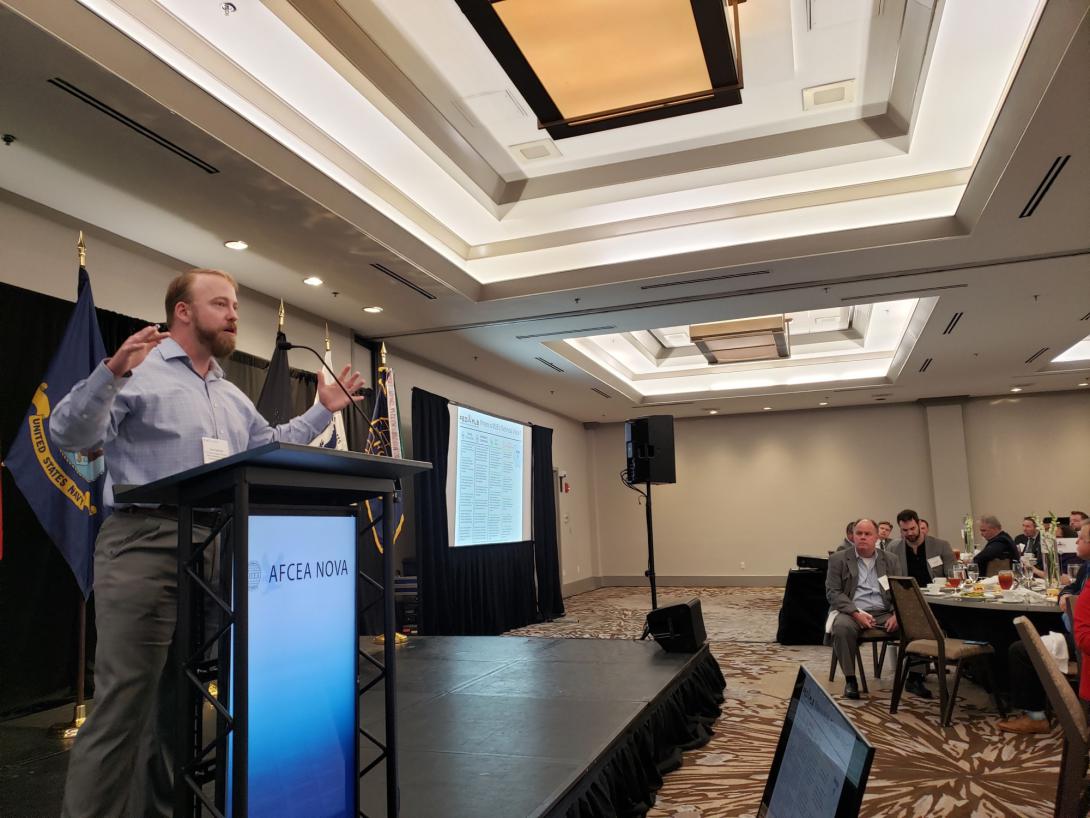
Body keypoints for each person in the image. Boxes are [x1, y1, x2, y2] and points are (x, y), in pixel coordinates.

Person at [50, 269, 366, 818]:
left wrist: (323, 410)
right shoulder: (140, 374)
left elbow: (268, 445)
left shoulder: (227, 392)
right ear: (183, 312)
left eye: (236, 305)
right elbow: (70, 436)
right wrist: (110, 373)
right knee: (124, 705)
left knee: (179, 706)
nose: (234, 313)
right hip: (145, 543)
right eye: (221, 303)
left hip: (211, 547)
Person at [998, 521, 1090, 733]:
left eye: (1081, 538)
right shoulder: (1087, 567)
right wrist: (1066, 594)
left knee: (1022, 650)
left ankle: (1035, 717)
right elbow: (1069, 587)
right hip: (1077, 634)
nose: (1075, 541)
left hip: (1083, 643)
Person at [825, 518, 899, 700]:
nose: (863, 537)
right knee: (841, 627)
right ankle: (851, 680)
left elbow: (901, 590)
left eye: (867, 534)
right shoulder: (838, 559)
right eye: (859, 534)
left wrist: (898, 614)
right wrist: (856, 613)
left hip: (884, 612)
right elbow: (833, 593)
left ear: (876, 537)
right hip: (852, 611)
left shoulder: (890, 559)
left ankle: (915, 676)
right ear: (853, 536)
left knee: (918, 623)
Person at [886, 508, 954, 698]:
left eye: (913, 529)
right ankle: (915, 676)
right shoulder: (893, 549)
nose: (910, 534)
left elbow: (952, 575)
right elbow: (888, 582)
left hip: (939, 601)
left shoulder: (940, 546)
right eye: (905, 531)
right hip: (908, 602)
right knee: (916, 621)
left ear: (920, 525)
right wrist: (895, 609)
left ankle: (968, 665)